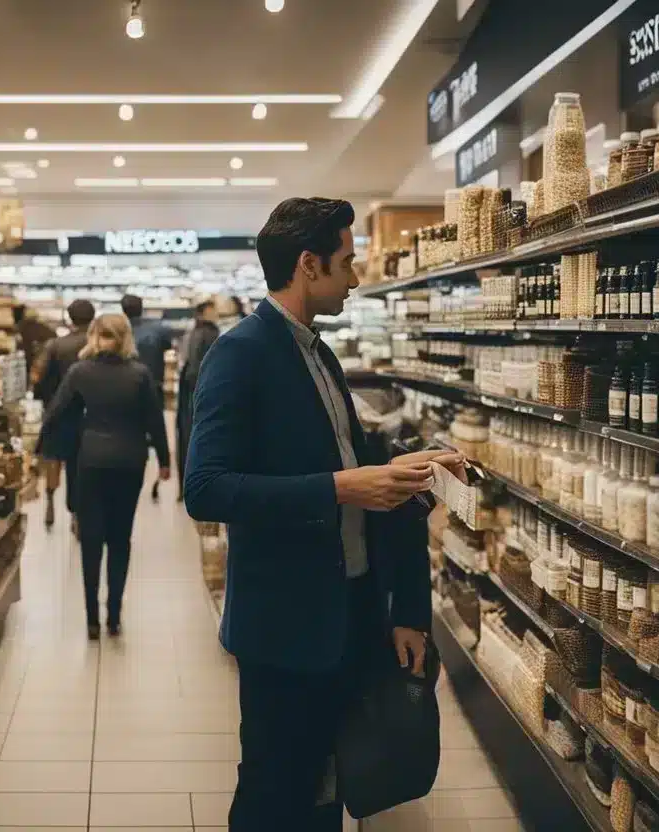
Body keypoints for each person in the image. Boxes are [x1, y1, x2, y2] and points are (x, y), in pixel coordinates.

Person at [183, 197, 467, 830]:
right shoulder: (241, 355)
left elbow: (360, 480)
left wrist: (410, 473)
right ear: (308, 265)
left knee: (327, 792)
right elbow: (206, 488)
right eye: (346, 261)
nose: (357, 275)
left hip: (350, 616)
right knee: (274, 794)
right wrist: (338, 487)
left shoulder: (322, 356)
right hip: (285, 631)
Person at [38, 313, 171, 639]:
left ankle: (91, 621)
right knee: (120, 538)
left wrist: (49, 448)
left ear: (94, 336)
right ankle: (113, 615)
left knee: (91, 540)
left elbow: (56, 412)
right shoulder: (140, 375)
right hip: (130, 460)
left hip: (90, 460)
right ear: (127, 338)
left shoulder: (80, 372)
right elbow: (155, 421)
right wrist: (166, 462)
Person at [32, 298, 96, 532]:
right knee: (77, 465)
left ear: (69, 317)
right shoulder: (94, 346)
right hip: (86, 414)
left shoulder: (54, 345)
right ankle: (76, 514)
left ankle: (49, 500)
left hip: (57, 411)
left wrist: (44, 398)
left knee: (53, 458)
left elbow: (39, 377)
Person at [121, 293, 175, 502]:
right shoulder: (158, 330)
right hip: (154, 387)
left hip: (126, 388)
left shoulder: (120, 333)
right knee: (155, 431)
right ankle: (156, 480)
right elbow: (169, 347)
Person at [174, 299, 219, 500]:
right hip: (200, 392)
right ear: (204, 312)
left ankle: (184, 484)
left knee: (185, 437)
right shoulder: (210, 333)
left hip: (188, 391)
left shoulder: (192, 332)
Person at [13, 304, 56, 380]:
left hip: (29, 362)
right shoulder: (45, 328)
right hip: (43, 363)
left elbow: (21, 346)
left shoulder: (21, 328)